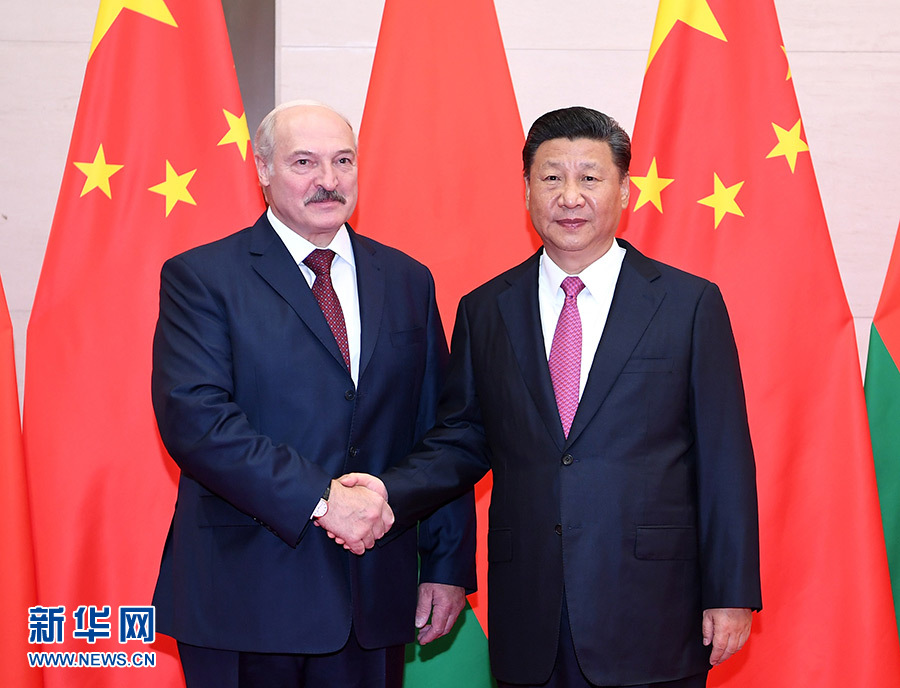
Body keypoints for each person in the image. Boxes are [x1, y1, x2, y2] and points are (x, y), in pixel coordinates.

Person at [339, 106, 761, 687]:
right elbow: (463, 439)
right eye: (552, 177)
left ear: (624, 191)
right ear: (527, 191)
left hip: (654, 608)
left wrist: (731, 592)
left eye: (590, 178)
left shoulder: (689, 304)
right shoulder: (486, 308)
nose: (570, 197)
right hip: (530, 606)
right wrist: (388, 489)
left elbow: (724, 458)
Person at [150, 101, 476, 688]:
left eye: (342, 161)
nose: (328, 179)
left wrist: (446, 564)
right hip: (246, 598)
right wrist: (323, 500)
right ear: (263, 169)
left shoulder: (407, 279)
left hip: (372, 595)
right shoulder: (202, 277)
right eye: (304, 162)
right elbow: (197, 421)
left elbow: (441, 430)